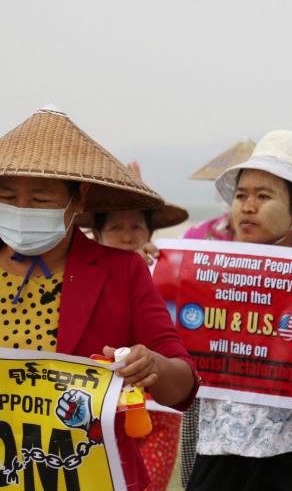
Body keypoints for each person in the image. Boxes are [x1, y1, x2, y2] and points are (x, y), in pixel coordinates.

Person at [0, 106, 199, 490]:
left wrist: (152, 364)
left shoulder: (122, 271)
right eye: (8, 197)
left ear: (79, 200)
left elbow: (183, 387)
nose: (22, 211)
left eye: (40, 200)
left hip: (88, 475)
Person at [186, 130, 292, 491]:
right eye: (242, 195)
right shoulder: (204, 272)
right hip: (219, 450)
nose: (248, 206)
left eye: (264, 196)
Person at [83, 196, 190, 491]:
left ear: (150, 234)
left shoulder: (166, 270)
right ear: (97, 235)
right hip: (100, 413)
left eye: (137, 227)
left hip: (158, 413)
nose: (128, 235)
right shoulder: (80, 276)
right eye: (116, 227)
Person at [184, 139, 256, 241]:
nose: (247, 206)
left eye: (262, 195)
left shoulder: (279, 240)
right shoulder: (200, 233)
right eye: (240, 194)